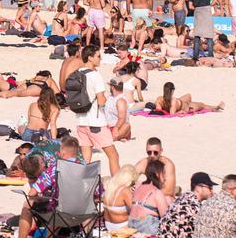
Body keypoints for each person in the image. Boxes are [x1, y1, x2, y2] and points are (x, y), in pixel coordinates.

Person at [72, 43, 120, 174]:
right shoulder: (95, 75)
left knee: (86, 158)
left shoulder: (77, 74)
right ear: (90, 58)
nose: (100, 59)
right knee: (113, 155)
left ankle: (81, 184)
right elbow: (101, 101)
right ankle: (117, 187)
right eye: (98, 56)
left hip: (81, 121)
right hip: (96, 123)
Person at [159, 171, 216, 238]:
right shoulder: (193, 206)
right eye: (210, 187)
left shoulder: (183, 198)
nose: (212, 191)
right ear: (198, 188)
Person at [128, 158, 170, 233]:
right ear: (157, 174)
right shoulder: (156, 192)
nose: (165, 178)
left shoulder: (139, 187)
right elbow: (165, 217)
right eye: (164, 173)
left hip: (131, 224)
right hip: (147, 225)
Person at [102, 164, 138, 229]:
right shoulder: (124, 191)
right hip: (122, 227)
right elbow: (136, 211)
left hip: (108, 225)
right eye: (133, 182)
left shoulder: (110, 186)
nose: (133, 185)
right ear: (129, 180)